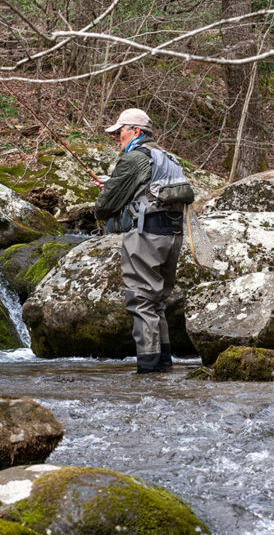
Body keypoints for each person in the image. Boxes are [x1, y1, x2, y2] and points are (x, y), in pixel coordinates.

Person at [94, 108, 186, 374]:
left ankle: (148, 371)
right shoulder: (166, 157)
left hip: (146, 235)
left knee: (141, 300)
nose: (116, 137)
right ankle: (163, 367)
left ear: (135, 131)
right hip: (172, 236)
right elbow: (150, 187)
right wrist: (115, 182)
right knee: (156, 302)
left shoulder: (133, 157)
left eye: (119, 131)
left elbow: (104, 206)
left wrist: (109, 191)